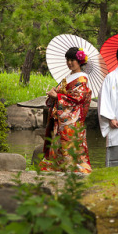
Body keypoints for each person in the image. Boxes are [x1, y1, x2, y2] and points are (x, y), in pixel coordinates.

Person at [39, 46, 93, 174]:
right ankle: (58, 167)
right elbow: (64, 95)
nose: (69, 63)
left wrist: (57, 96)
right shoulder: (69, 77)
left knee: (70, 142)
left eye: (72, 60)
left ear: (79, 61)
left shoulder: (82, 79)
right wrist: (54, 93)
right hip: (62, 117)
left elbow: (78, 97)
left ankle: (73, 168)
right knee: (59, 142)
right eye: (67, 60)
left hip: (72, 119)